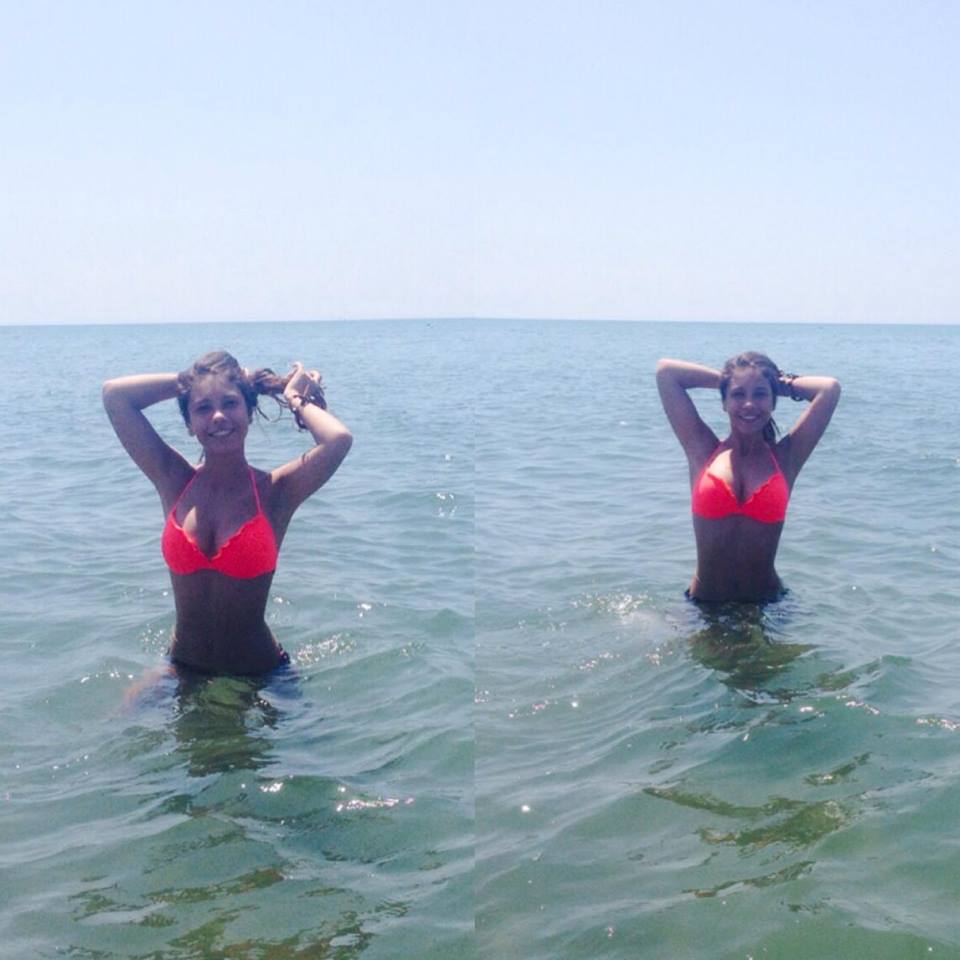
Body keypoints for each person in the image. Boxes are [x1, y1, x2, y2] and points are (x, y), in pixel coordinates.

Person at [103, 351, 352, 675]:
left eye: (231, 403)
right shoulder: (173, 480)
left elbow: (338, 440)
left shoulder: (275, 492)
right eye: (203, 408)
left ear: (249, 413)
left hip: (260, 675)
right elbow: (115, 396)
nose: (218, 416)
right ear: (190, 424)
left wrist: (293, 396)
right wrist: (194, 380)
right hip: (183, 667)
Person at [656, 352, 840, 603]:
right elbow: (666, 373)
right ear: (724, 402)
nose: (749, 404)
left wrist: (780, 384)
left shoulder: (786, 458)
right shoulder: (702, 450)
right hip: (704, 604)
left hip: (767, 605)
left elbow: (829, 389)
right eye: (738, 394)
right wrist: (727, 381)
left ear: (773, 402)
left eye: (761, 394)